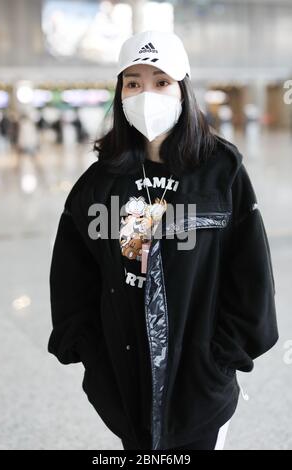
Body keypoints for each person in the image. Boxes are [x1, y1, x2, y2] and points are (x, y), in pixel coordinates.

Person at [47, 30, 278, 451]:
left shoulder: (220, 172)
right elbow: (72, 280)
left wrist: (221, 359)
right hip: (124, 382)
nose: (145, 93)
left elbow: (251, 278)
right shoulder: (98, 185)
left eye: (160, 81)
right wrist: (95, 358)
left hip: (201, 383)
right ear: (119, 93)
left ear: (182, 89)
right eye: (132, 82)